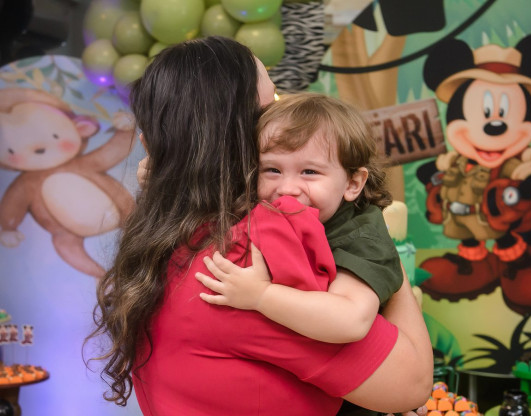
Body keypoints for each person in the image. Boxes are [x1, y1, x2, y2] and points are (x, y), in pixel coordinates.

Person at [86, 36, 433, 416]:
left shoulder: (165, 240)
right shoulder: (247, 258)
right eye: (271, 108)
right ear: (244, 139)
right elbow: (410, 384)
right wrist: (377, 247)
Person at [195, 92, 404, 346]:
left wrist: (261, 295)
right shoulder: (261, 209)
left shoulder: (362, 236)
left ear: (353, 183)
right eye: (273, 170)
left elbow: (350, 319)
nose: (287, 188)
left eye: (309, 172)